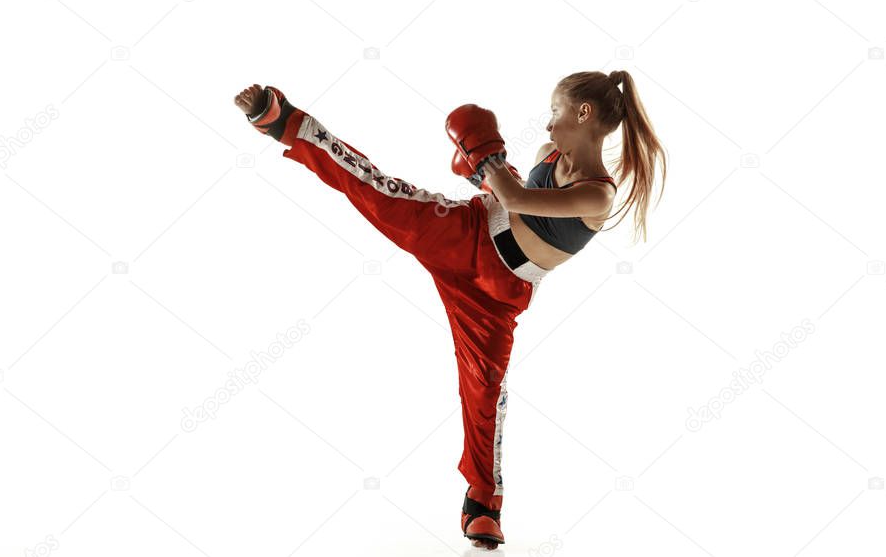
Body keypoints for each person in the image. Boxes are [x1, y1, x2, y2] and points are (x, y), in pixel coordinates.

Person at [233, 70, 666, 550]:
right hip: (468, 233)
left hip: (500, 294)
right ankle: (286, 122)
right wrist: (487, 168)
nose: (547, 127)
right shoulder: (550, 156)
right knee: (381, 195)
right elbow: (511, 199)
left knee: (486, 391)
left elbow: (519, 197)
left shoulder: (598, 195)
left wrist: (484, 158)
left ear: (584, 115)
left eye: (555, 113)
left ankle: (484, 503)